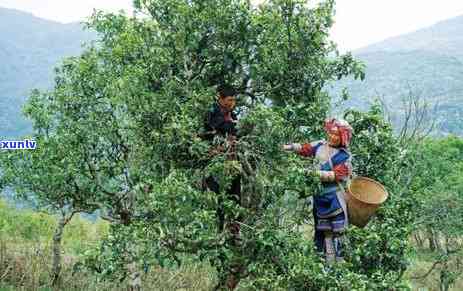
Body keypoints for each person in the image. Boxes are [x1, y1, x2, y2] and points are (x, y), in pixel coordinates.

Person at [283, 118, 353, 264]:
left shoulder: (345, 157)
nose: (333, 137)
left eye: (337, 135)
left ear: (343, 137)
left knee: (339, 233)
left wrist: (311, 173)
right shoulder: (320, 145)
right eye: (332, 133)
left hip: (336, 200)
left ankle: (341, 266)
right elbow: (304, 148)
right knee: (325, 232)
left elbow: (335, 175)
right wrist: (287, 147)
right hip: (319, 199)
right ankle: (326, 264)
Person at [202, 85, 241, 235]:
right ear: (221, 99)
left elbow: (236, 131)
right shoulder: (212, 112)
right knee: (216, 196)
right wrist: (232, 126)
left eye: (234, 100)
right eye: (229, 100)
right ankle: (216, 232)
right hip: (214, 160)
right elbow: (223, 127)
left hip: (232, 160)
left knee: (236, 196)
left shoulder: (233, 115)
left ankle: (234, 232)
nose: (232, 103)